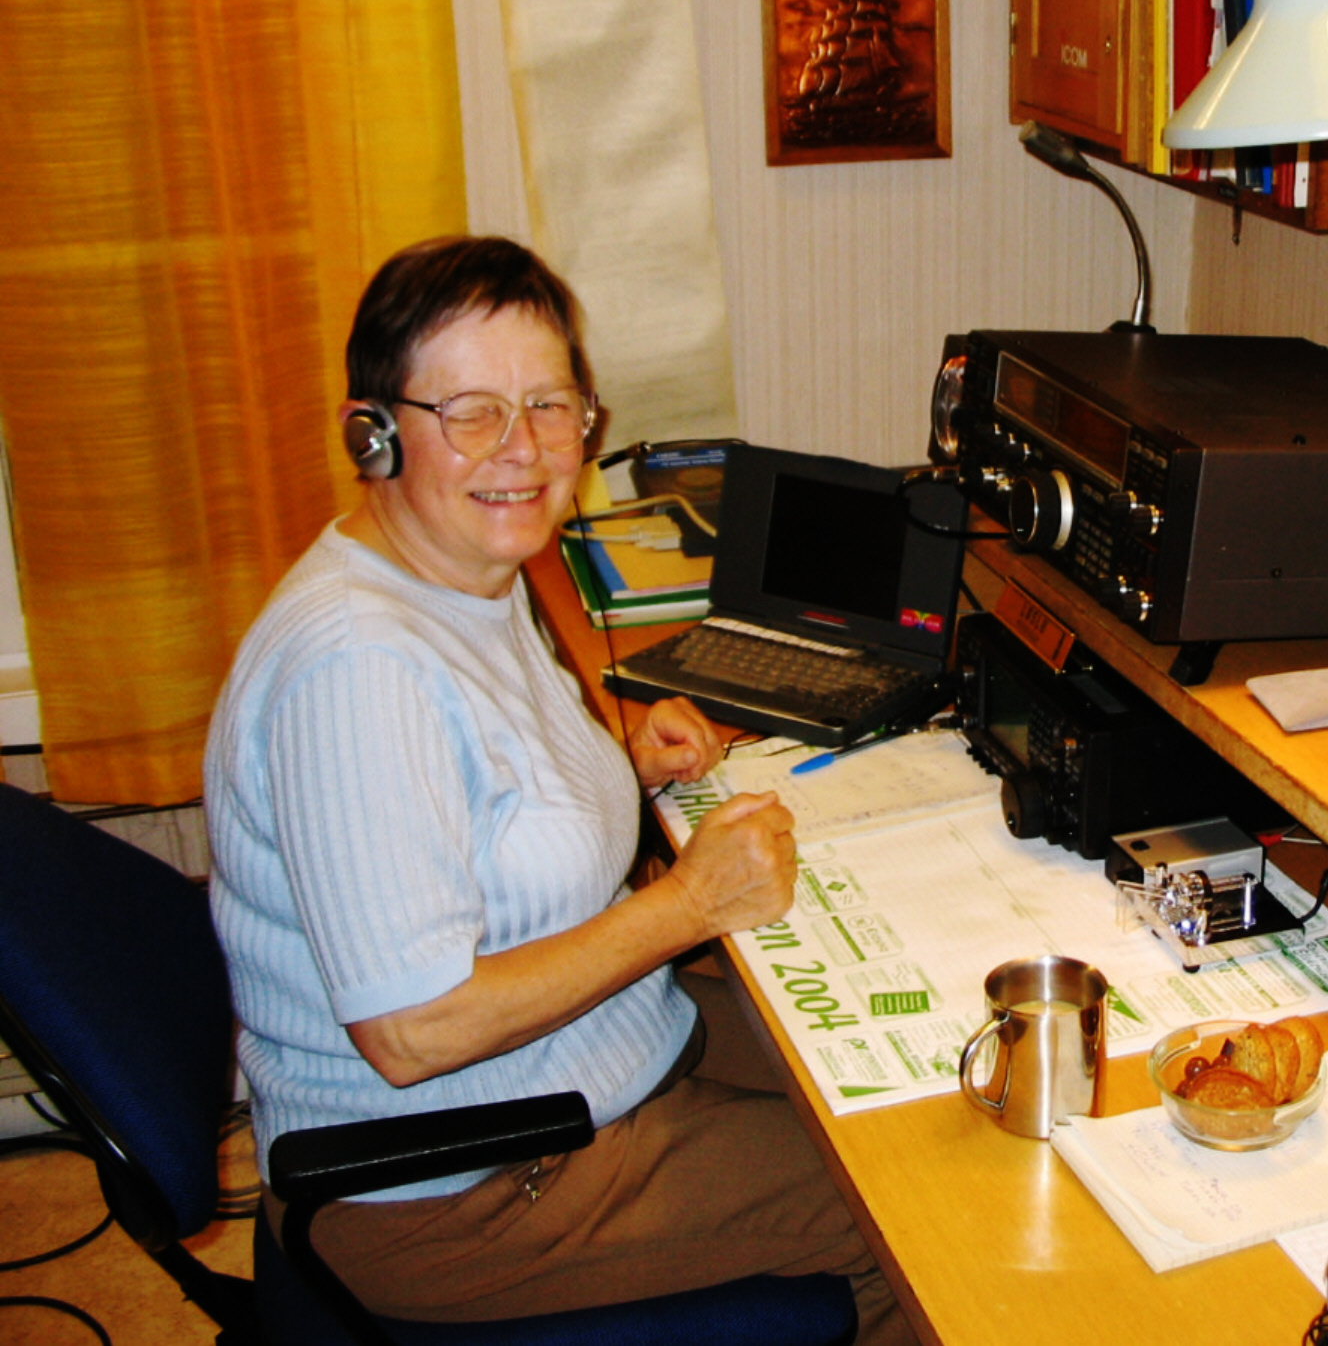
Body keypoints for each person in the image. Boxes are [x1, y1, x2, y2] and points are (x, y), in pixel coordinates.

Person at [207, 235, 908, 1340]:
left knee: (906, 1087)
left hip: (588, 1057)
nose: (524, 448)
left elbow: (461, 795)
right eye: (472, 412)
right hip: (460, 1184)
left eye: (549, 405)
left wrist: (611, 768)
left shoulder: (463, 572)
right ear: (373, 432)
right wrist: (688, 903)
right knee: (912, 1215)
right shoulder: (355, 667)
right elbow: (414, 1028)